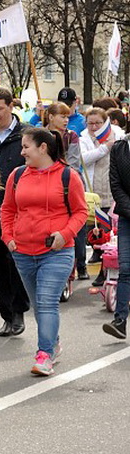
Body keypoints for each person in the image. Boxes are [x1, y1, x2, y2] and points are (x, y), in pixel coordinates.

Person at [1, 128, 87, 376]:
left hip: (57, 252)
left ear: (43, 148)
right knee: (39, 306)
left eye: (26, 147)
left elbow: (80, 212)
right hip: (22, 251)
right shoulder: (17, 176)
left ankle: (44, 354)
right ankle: (53, 343)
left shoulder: (68, 176)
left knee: (47, 302)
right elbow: (7, 210)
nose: (21, 152)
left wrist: (65, 234)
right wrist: (8, 237)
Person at [0, 88, 31, 337]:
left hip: (21, 208)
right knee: (0, 262)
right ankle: (7, 315)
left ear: (10, 106)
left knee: (17, 262)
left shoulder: (26, 134)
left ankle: (19, 310)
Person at [44, 102, 87, 280]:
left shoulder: (72, 136)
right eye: (62, 116)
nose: (66, 120)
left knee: (77, 223)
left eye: (67, 116)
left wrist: (61, 173)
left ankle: (80, 262)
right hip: (45, 183)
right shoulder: (41, 134)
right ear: (51, 117)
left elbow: (74, 161)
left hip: (68, 181)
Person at [80, 108, 122, 287]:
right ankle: (102, 269)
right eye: (90, 123)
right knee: (100, 233)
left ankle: (109, 270)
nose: (94, 126)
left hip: (113, 191)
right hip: (94, 192)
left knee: (112, 236)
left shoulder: (118, 135)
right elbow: (83, 159)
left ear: (106, 123)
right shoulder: (82, 138)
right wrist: (105, 148)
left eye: (98, 123)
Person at [104, 132, 130, 338]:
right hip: (127, 216)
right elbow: (115, 184)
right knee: (126, 268)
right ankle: (120, 320)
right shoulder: (120, 147)